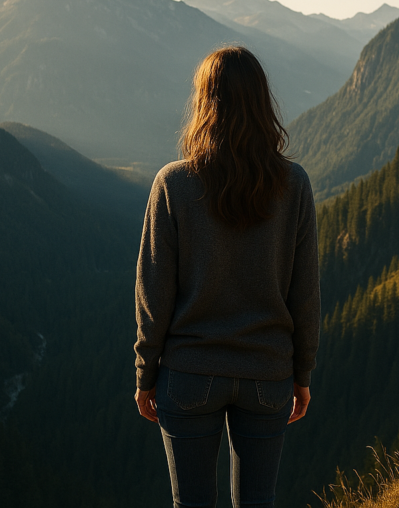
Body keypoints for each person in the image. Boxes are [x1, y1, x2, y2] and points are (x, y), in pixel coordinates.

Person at [134, 45, 320, 508]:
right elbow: (306, 293)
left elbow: (153, 293)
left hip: (190, 372)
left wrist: (145, 372)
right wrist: (302, 373)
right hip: (267, 373)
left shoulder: (173, 184)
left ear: (204, 104)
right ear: (263, 104)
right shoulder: (293, 184)